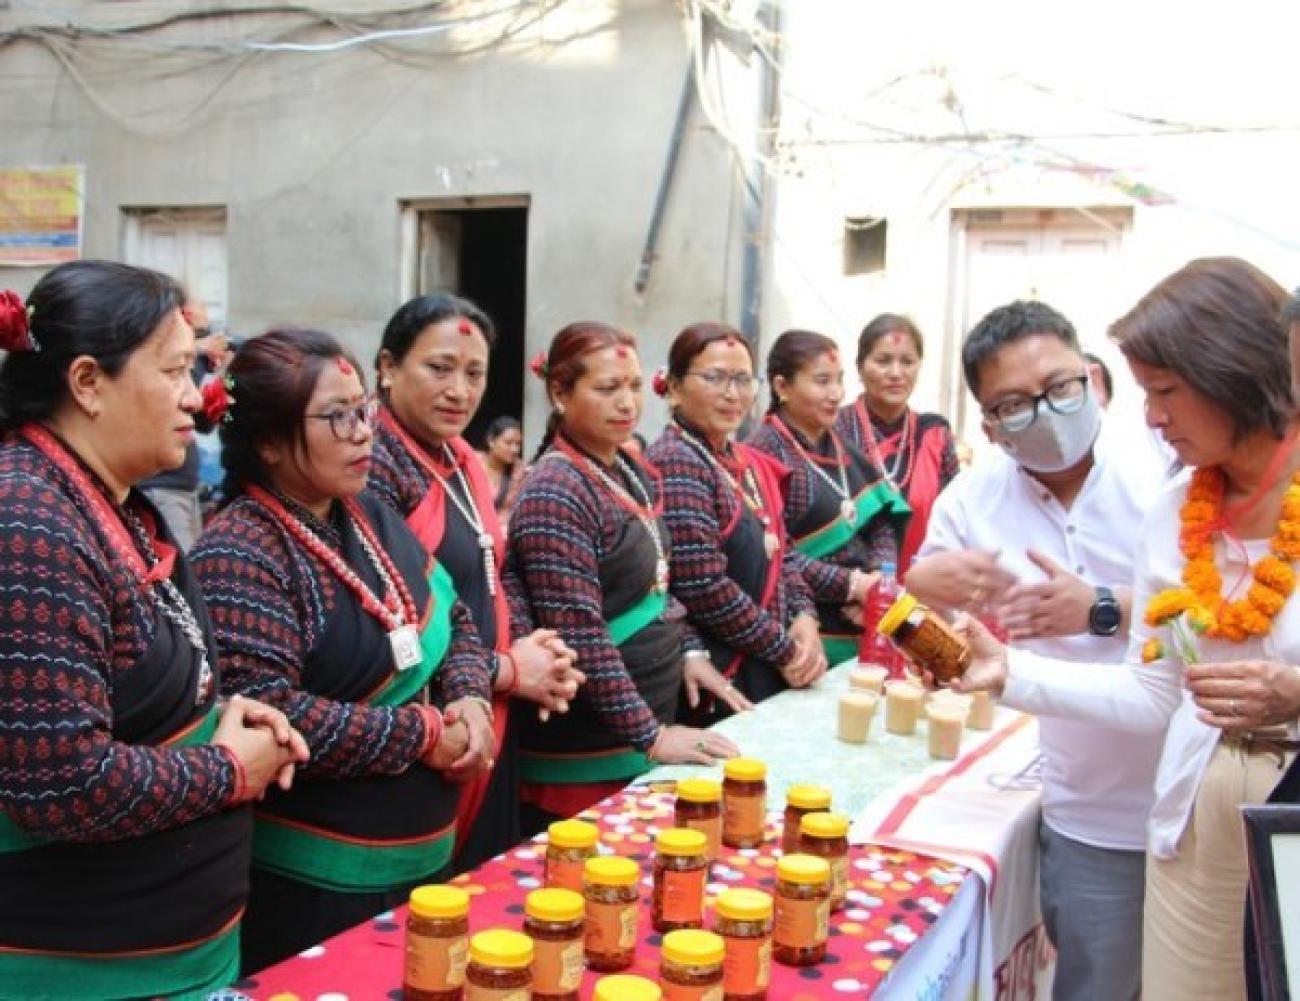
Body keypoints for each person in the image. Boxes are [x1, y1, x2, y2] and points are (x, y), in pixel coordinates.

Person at [950, 261, 1300, 1001]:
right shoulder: (1177, 513)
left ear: (1232, 370)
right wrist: (1010, 672)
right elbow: (1151, 692)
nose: (1150, 417)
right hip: (1190, 831)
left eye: (1166, 391)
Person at [0, 262, 305, 999]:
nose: (197, 396)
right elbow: (62, 783)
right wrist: (231, 767)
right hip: (78, 968)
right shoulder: (29, 518)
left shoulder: (116, 502)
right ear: (87, 382)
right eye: (174, 370)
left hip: (170, 949)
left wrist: (226, 715)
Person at [191, 328, 493, 973]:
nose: (363, 433)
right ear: (268, 441)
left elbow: (455, 617)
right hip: (316, 889)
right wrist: (423, 733)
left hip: (427, 858)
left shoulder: (367, 515)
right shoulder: (239, 551)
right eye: (337, 417)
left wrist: (469, 696)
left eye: (363, 411)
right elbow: (275, 714)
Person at [904, 298, 1167, 1001]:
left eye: (1059, 389)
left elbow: (1222, 619)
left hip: (1197, 784)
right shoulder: (973, 500)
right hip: (1092, 806)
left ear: (1089, 375)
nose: (1046, 414)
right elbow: (943, 638)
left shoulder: (1167, 464)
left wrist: (1103, 607)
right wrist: (924, 593)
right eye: (1016, 405)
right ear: (988, 424)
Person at [370, 293, 581, 870]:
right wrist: (507, 670)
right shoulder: (373, 464)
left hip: (491, 703)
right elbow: (392, 626)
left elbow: (494, 568)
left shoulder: (458, 459)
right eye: (439, 369)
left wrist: (528, 649)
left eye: (474, 374)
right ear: (388, 367)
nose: (459, 391)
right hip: (432, 723)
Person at [505, 322, 740, 828]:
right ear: (560, 394)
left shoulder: (619, 468)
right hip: (586, 757)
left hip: (636, 732)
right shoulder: (555, 488)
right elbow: (579, 634)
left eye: (634, 387)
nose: (627, 403)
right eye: (607, 389)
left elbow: (659, 585)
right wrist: (651, 735)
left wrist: (688, 650)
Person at [647, 322, 825, 719]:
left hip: (764, 656)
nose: (732, 394)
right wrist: (785, 649)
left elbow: (786, 553)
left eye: (743, 380)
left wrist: (803, 615)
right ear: (674, 387)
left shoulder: (744, 462)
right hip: (719, 668)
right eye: (714, 378)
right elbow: (702, 586)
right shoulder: (675, 460)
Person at [749, 328, 909, 667]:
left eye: (839, 381)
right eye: (822, 381)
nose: (836, 394)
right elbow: (776, 553)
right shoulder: (762, 453)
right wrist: (851, 586)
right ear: (782, 387)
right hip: (804, 624)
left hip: (867, 617)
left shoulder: (841, 445)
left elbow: (880, 520)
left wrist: (879, 582)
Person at [836, 314, 959, 573]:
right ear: (860, 367)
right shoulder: (836, 430)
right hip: (850, 589)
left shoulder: (934, 435)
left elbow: (955, 517)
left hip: (924, 586)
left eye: (907, 362)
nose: (896, 373)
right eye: (883, 361)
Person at [138, 299, 234, 550]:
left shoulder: (196, 369)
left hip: (185, 485)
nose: (192, 398)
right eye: (175, 370)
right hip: (162, 487)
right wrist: (199, 353)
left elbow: (201, 423)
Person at [477, 414, 528, 524]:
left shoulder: (521, 471)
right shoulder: (473, 463)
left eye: (518, 444)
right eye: (508, 443)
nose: (515, 449)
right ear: (491, 441)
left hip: (506, 535)